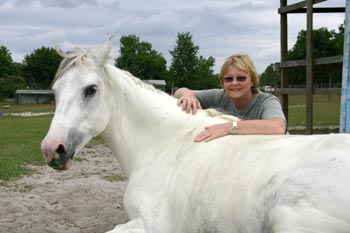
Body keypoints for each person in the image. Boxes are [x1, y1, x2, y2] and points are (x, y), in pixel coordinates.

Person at [174, 54, 287, 142]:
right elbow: (179, 92)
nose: (234, 83)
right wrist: (187, 95)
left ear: (252, 81)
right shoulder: (219, 96)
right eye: (228, 79)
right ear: (222, 83)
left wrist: (227, 127)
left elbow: (278, 127)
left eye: (241, 78)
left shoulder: (266, 101)